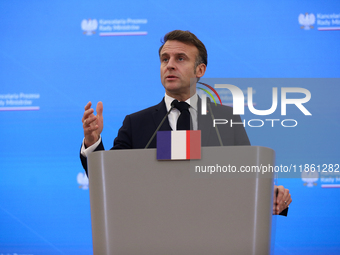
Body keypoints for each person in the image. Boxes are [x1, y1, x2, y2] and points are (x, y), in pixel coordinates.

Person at [80, 30, 292, 215]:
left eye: (180, 58)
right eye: (165, 59)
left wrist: (271, 195)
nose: (170, 65)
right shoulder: (136, 123)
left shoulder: (226, 119)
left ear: (200, 70)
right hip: (151, 236)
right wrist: (93, 141)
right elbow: (110, 181)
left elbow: (248, 180)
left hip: (213, 235)